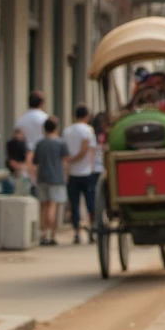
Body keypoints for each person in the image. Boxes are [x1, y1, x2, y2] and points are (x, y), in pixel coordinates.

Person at [31, 117, 68, 246]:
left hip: (42, 178)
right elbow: (65, 161)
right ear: (56, 128)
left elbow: (35, 163)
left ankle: (42, 234)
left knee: (43, 207)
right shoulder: (60, 143)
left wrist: (34, 177)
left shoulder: (40, 144)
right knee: (52, 206)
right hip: (56, 178)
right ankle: (51, 235)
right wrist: (65, 177)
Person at [62, 104, 96, 245]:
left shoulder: (67, 131)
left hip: (72, 173)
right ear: (86, 116)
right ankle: (92, 229)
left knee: (74, 205)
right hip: (86, 172)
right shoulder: (88, 130)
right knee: (90, 204)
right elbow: (89, 150)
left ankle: (76, 232)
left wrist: (70, 161)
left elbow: (65, 152)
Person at [14, 90, 48, 160]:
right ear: (42, 103)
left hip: (25, 155)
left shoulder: (20, 120)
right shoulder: (45, 119)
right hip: (42, 154)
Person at [1, 127, 30, 195]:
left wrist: (22, 165)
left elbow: (27, 156)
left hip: (20, 166)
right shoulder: (12, 144)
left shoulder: (24, 144)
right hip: (13, 167)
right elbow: (10, 157)